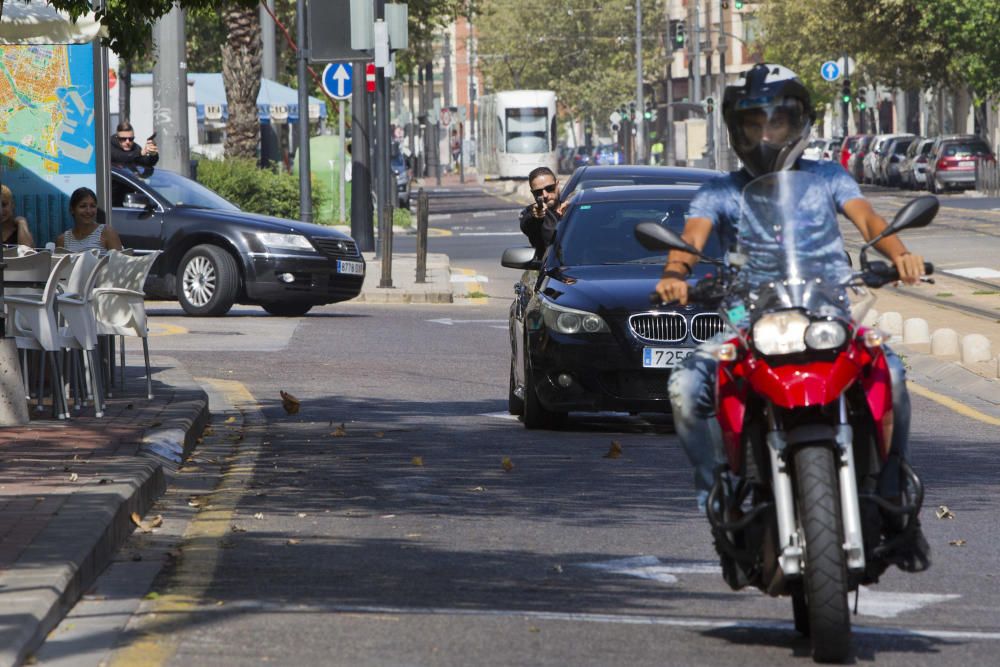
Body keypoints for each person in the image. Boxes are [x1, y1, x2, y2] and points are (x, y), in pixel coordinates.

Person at [655, 63, 929, 570]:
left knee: (890, 370)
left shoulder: (828, 177)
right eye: (754, 124)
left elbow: (868, 218)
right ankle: (719, 494)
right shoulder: (718, 192)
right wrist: (676, 273)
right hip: (748, 324)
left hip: (828, 316)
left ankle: (891, 480)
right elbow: (690, 242)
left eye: (775, 122)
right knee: (685, 390)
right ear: (737, 131)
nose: (765, 134)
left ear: (797, 123)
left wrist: (899, 255)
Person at [518, 166, 568, 257]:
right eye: (538, 192)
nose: (545, 195)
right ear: (533, 193)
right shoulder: (533, 214)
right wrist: (535, 215)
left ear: (557, 185)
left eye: (550, 188)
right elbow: (526, 224)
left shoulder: (572, 209)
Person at [56, 187, 123, 252]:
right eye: (83, 206)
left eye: (92, 206)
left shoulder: (107, 233)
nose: (88, 211)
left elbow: (119, 262)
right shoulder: (63, 240)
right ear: (72, 210)